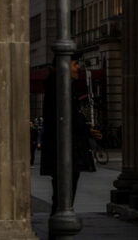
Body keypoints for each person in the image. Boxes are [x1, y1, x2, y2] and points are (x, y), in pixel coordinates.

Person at [40, 58, 99, 209]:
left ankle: (61, 218)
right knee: (64, 195)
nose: (77, 67)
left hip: (65, 146)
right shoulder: (61, 85)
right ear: (64, 65)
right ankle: (60, 223)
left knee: (62, 195)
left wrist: (86, 129)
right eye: (75, 64)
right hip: (66, 148)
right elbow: (66, 116)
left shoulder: (58, 84)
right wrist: (84, 129)